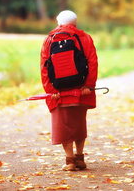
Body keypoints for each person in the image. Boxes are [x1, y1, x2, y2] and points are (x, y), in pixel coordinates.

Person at [40, 10, 98, 171]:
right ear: (75, 23)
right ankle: (80, 158)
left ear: (58, 23)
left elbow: (44, 67)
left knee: (63, 125)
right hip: (80, 89)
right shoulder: (85, 38)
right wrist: (88, 85)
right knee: (79, 124)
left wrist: (51, 90)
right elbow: (92, 63)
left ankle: (70, 161)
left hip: (59, 91)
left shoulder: (49, 40)